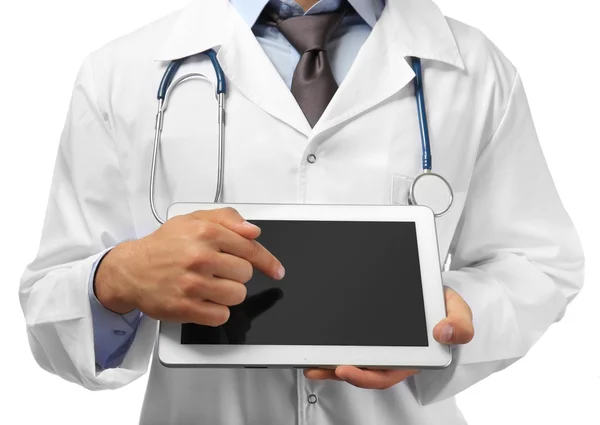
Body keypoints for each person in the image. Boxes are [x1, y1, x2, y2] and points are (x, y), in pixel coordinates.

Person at [19, 0, 585, 423]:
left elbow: (538, 261)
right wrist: (116, 279)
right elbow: (50, 303)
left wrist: (459, 313)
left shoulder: (474, 69)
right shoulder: (122, 72)